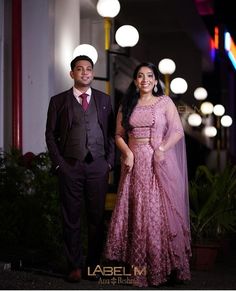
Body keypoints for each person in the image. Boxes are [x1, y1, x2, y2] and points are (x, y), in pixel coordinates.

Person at [104, 62, 191, 287]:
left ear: (155, 80)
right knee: (136, 211)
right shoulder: (128, 104)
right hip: (133, 166)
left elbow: (177, 131)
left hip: (157, 164)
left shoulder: (164, 102)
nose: (145, 80)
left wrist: (161, 149)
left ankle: (160, 269)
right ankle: (136, 269)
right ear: (135, 81)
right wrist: (127, 153)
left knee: (155, 212)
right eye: (140, 76)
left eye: (150, 76)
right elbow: (119, 135)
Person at [45, 55, 115, 282]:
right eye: (79, 69)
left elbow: (113, 135)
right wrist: (59, 164)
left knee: (96, 218)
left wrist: (109, 163)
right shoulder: (58, 101)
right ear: (72, 74)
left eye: (88, 69)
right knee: (71, 217)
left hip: (98, 166)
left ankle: (93, 266)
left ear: (92, 73)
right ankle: (74, 266)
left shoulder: (105, 100)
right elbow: (50, 135)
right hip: (70, 165)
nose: (84, 72)